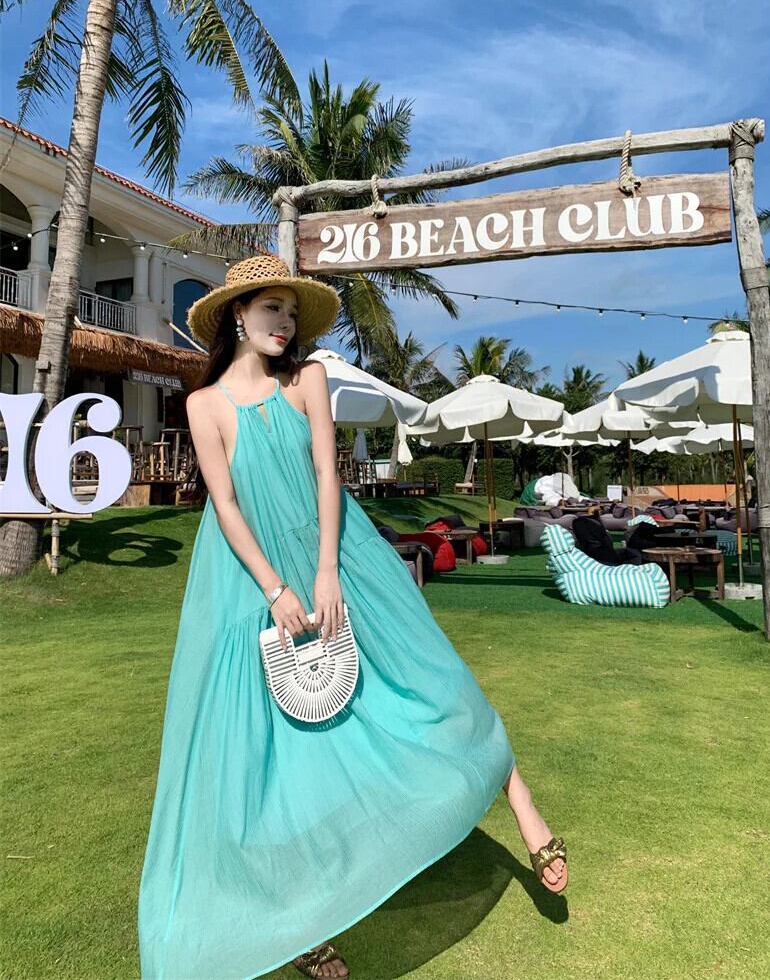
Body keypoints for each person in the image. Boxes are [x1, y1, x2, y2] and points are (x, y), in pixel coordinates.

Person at [137, 255, 568, 980]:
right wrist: (275, 588)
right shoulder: (203, 404)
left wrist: (326, 570)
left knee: (431, 681)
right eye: (271, 308)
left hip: (337, 558)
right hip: (248, 577)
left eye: (290, 311)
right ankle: (305, 923)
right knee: (272, 753)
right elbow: (226, 505)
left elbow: (326, 475)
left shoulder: (308, 379)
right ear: (238, 314)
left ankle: (523, 806)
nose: (283, 322)